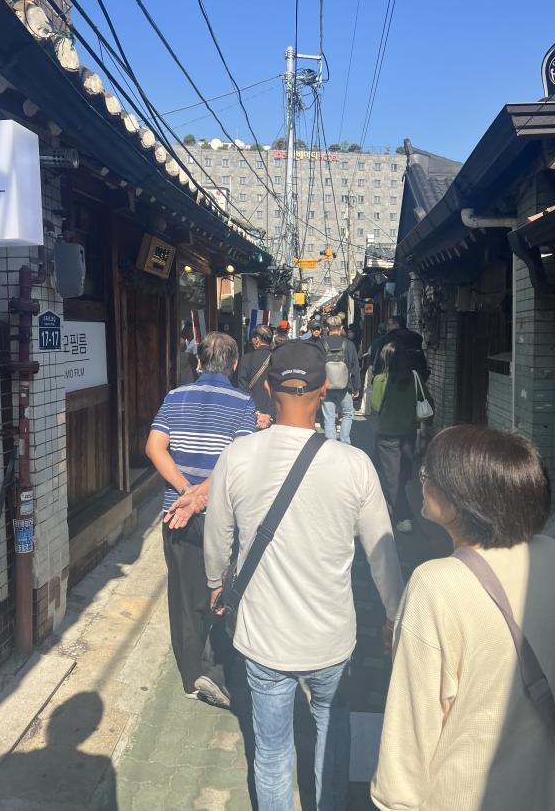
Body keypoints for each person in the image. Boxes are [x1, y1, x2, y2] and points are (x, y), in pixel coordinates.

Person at [204, 339, 404, 811]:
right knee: (331, 739)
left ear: (269, 389)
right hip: (331, 637)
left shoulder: (237, 456)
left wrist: (216, 583)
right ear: (323, 392)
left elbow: (217, 538)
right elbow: (383, 553)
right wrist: (395, 614)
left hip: (263, 637)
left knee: (271, 751)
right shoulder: (354, 465)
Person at [371, 425, 555, 811]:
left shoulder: (435, 584)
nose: (422, 480)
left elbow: (409, 740)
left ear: (463, 501)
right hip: (548, 792)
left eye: (429, 474)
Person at [145, 332, 257, 708]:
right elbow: (237, 460)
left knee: (183, 596)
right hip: (220, 516)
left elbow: (154, 447)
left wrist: (185, 491)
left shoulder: (174, 397)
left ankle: (191, 676)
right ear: (234, 365)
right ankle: (218, 671)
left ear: (198, 363)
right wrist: (200, 495)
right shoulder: (243, 402)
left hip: (176, 514)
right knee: (223, 592)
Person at [372, 343, 432, 533]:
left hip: (387, 435)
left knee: (392, 478)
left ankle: (403, 516)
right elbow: (429, 403)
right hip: (409, 434)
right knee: (398, 474)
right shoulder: (415, 377)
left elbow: (375, 405)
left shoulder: (381, 379)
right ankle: (391, 503)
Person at [321, 315, 361, 444]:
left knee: (329, 417)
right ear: (341, 327)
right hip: (345, 386)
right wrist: (356, 387)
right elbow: (355, 367)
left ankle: (331, 444)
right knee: (348, 414)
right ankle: (345, 442)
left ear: (328, 328)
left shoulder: (321, 343)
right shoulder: (349, 344)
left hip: (326, 386)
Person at [237, 324, 274, 429]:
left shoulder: (246, 359)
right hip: (272, 416)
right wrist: (269, 414)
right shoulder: (278, 358)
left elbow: (242, 388)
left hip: (252, 415)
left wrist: (257, 413)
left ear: (256, 339)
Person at [375, 314, 429, 379]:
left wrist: (376, 375)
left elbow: (378, 362)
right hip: (416, 379)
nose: (387, 328)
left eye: (389, 325)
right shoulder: (416, 337)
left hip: (393, 380)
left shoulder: (388, 339)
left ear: (397, 325)